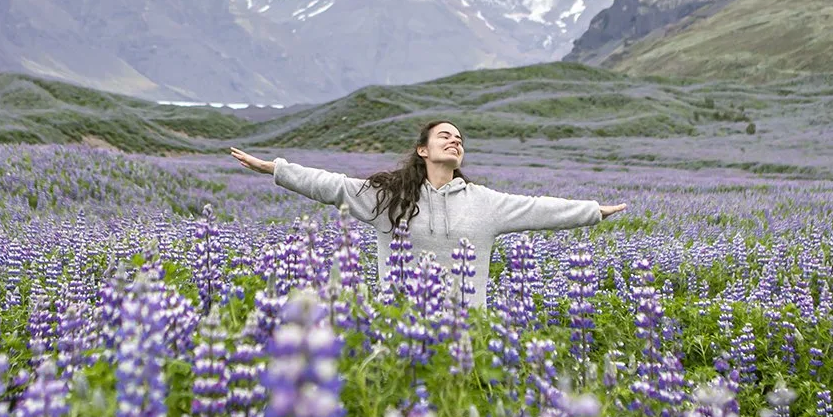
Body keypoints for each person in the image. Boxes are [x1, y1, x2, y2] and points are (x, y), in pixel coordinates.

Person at [229, 119, 627, 311]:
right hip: (400, 320)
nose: (455, 141)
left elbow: (538, 207)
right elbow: (333, 186)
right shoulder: (390, 197)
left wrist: (594, 211)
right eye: (445, 136)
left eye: (460, 140)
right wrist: (275, 169)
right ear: (423, 149)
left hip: (465, 326)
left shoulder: (484, 201)